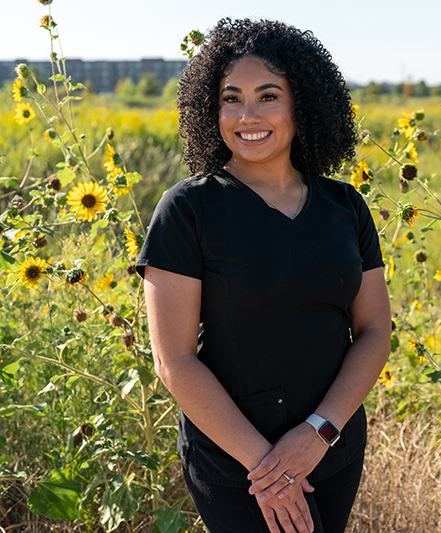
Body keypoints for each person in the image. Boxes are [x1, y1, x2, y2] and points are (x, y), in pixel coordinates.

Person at [136, 18, 391, 533]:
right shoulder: (188, 209)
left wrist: (317, 435)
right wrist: (270, 467)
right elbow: (174, 360)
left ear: (304, 104)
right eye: (231, 99)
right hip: (236, 466)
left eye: (268, 96)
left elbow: (375, 332)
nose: (246, 115)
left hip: (330, 453)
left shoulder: (345, 206)